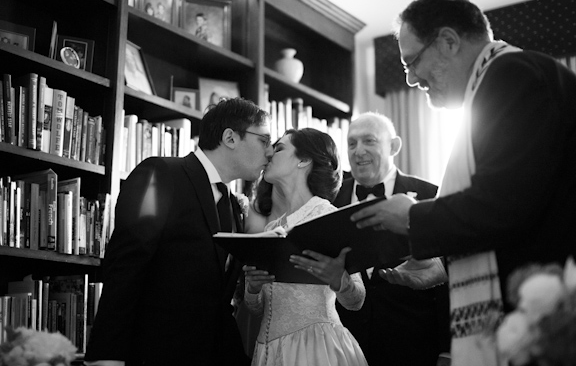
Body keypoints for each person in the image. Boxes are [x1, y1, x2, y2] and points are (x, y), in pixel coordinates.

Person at [350, 0, 576, 366]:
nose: (412, 77)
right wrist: (440, 270)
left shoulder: (512, 77)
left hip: (564, 317)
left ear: (449, 41)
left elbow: (503, 204)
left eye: (412, 61)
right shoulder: (502, 80)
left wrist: (411, 216)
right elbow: (519, 209)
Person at [84, 98, 273, 366]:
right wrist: (106, 357)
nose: (270, 152)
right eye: (264, 141)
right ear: (230, 137)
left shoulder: (234, 206)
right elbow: (124, 270)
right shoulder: (160, 174)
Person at [243, 128, 368, 366]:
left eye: (279, 148)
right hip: (268, 354)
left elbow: (357, 300)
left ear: (303, 160)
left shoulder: (327, 216)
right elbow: (258, 309)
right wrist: (253, 288)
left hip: (316, 351)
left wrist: (339, 280)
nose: (269, 153)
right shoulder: (272, 226)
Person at [333, 112, 450, 366]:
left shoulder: (430, 194)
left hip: (413, 344)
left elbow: (444, 275)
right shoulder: (332, 198)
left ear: (393, 146)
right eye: (351, 143)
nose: (358, 151)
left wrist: (446, 349)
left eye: (369, 141)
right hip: (346, 346)